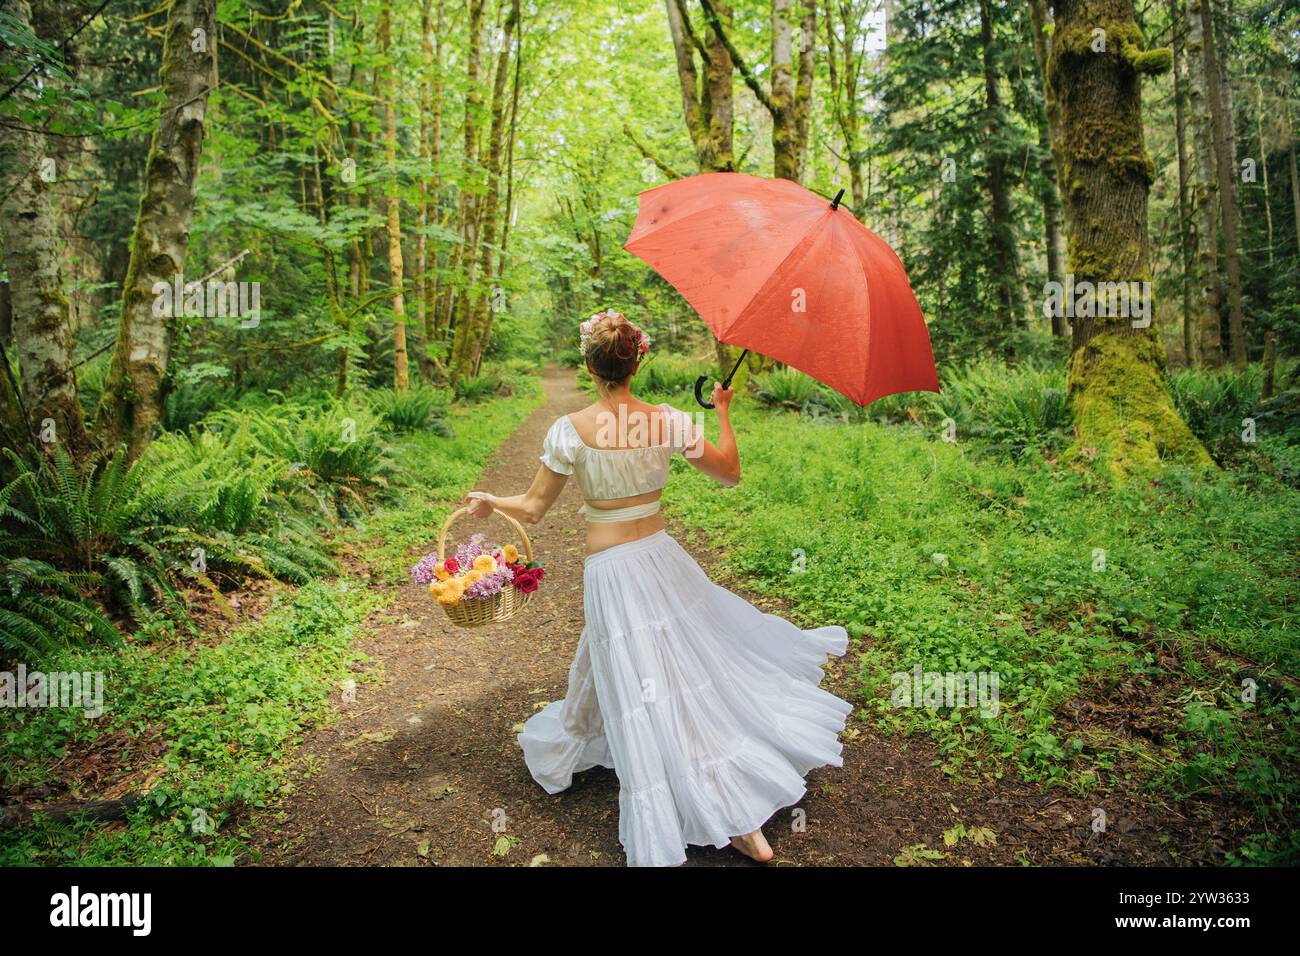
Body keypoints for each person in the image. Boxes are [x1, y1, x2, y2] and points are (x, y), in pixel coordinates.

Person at [464, 309, 851, 866]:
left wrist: (490, 502)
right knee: (641, 658)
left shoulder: (569, 430)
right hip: (661, 557)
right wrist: (721, 413)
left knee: (658, 676)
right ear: (638, 361)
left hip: (612, 570)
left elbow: (533, 509)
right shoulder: (666, 420)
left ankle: (731, 812)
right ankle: (579, 736)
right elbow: (729, 473)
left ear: (588, 367)